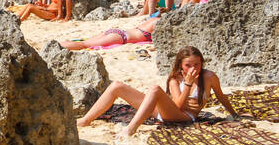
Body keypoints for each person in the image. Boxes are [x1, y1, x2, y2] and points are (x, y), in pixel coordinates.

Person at [78, 45, 237, 137]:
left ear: (202, 63)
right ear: (181, 65)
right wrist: (186, 84)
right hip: (165, 111)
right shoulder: (176, 78)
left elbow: (221, 97)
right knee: (117, 86)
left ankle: (131, 129)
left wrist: (234, 115)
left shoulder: (209, 77)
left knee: (154, 89)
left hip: (185, 116)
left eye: (197, 64)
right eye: (188, 65)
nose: (193, 68)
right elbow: (176, 103)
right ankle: (85, 120)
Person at [57, 23, 153, 50]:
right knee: (84, 44)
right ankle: (59, 46)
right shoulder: (158, 23)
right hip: (121, 37)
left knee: (85, 42)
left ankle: (59, 44)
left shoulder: (152, 20)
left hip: (118, 31)